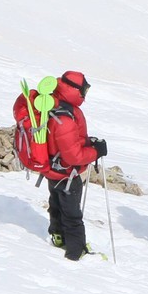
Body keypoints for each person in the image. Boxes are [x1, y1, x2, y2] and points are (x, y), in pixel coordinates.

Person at [43, 70, 104, 262]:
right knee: (72, 214)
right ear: (75, 89)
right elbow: (74, 156)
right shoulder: (66, 118)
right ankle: (76, 252)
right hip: (68, 174)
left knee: (56, 204)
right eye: (84, 89)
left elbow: (68, 143)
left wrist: (88, 142)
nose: (85, 94)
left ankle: (58, 236)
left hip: (53, 170)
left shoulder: (55, 105)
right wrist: (97, 152)